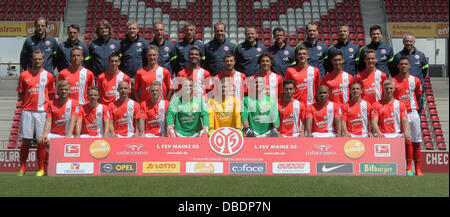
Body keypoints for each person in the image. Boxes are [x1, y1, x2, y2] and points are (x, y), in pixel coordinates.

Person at [17, 49, 55, 176]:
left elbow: (50, 94)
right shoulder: (24, 75)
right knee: (26, 141)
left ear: (43, 60)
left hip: (42, 112)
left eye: (39, 59)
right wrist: (27, 103)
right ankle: (22, 168)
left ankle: (41, 168)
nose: (37, 61)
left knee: (41, 141)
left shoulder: (49, 76)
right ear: (31, 60)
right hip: (27, 111)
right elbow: (21, 93)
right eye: (35, 59)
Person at [38, 80, 80, 176]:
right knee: (42, 140)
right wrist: (44, 134)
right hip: (55, 134)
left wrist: (68, 136)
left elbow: (73, 121)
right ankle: (42, 169)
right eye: (62, 90)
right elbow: (48, 121)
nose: (64, 91)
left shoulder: (74, 103)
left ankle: (62, 167)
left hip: (69, 135)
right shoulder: (51, 103)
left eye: (66, 89)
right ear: (58, 91)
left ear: (70, 91)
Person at [371, 79, 411, 175]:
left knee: (408, 139)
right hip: (382, 135)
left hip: (395, 134)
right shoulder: (376, 104)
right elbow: (374, 121)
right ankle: (376, 168)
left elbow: (405, 120)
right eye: (386, 88)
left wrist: (406, 132)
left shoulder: (400, 104)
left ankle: (408, 169)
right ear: (383, 89)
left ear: (394, 89)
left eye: (390, 88)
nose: (389, 90)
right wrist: (379, 133)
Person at [392, 57, 424, 176]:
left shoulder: (416, 80)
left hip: (413, 112)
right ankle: (408, 168)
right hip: (400, 114)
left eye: (406, 64)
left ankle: (418, 169)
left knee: (416, 141)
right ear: (398, 66)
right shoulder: (393, 81)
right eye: (401, 64)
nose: (403, 66)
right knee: (406, 141)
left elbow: (418, 95)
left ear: (409, 66)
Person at [391, 33, 428, 112]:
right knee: (401, 110)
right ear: (403, 42)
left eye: (410, 41)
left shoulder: (421, 55)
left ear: (414, 42)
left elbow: (425, 70)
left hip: (416, 88)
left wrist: (418, 80)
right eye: (406, 41)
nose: (408, 43)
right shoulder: (397, 56)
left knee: (418, 109)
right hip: (402, 88)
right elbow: (393, 71)